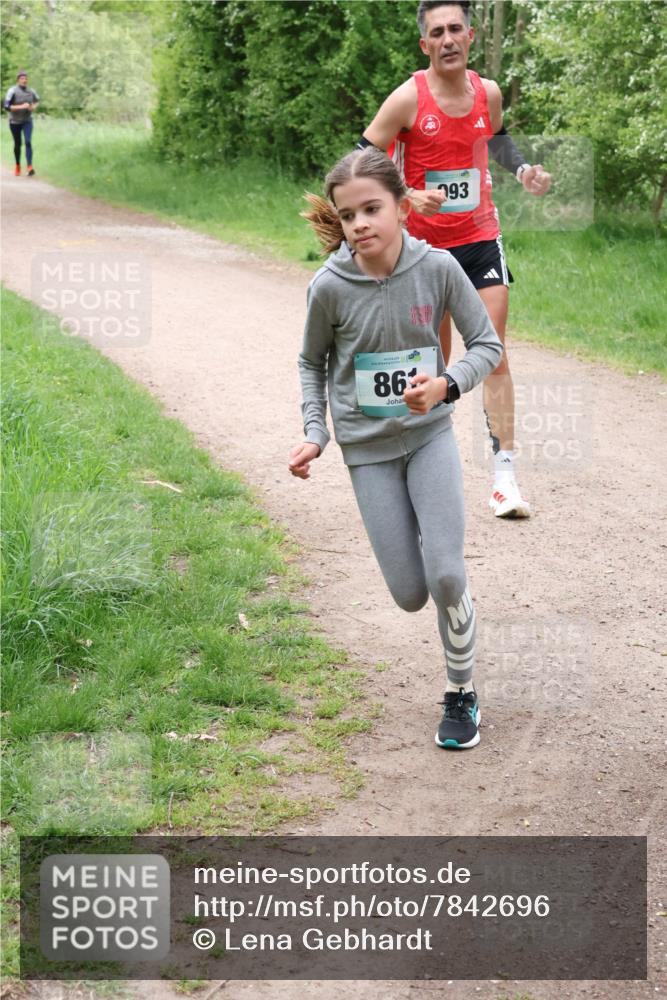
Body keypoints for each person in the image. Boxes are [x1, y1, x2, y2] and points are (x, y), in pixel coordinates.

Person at [288, 147, 502, 749]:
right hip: (369, 451)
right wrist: (314, 432)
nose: (359, 224)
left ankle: (461, 692)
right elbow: (311, 361)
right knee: (411, 595)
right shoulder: (329, 286)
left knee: (446, 574)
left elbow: (486, 345)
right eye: (348, 214)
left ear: (403, 207)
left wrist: (444, 385)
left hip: (429, 437)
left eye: (372, 209)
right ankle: (448, 604)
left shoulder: (436, 269)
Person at [359, 0, 551, 519]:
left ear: (469, 37)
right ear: (425, 45)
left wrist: (524, 170)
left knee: (492, 351)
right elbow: (363, 158)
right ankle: (425, 471)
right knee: (432, 363)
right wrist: (405, 195)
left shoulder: (487, 92)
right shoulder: (405, 100)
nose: (447, 39)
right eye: (437, 32)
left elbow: (496, 139)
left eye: (455, 30)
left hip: (480, 238)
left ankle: (505, 479)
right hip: (422, 251)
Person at [4, 70, 40, 177]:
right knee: (18, 144)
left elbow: (37, 100)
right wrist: (21, 106)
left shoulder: (31, 91)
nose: (24, 80)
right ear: (18, 80)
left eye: (25, 78)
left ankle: (29, 167)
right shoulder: (12, 91)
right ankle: (18, 165)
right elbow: (6, 106)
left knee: (28, 141)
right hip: (14, 122)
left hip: (27, 121)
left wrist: (33, 107)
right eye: (22, 79)